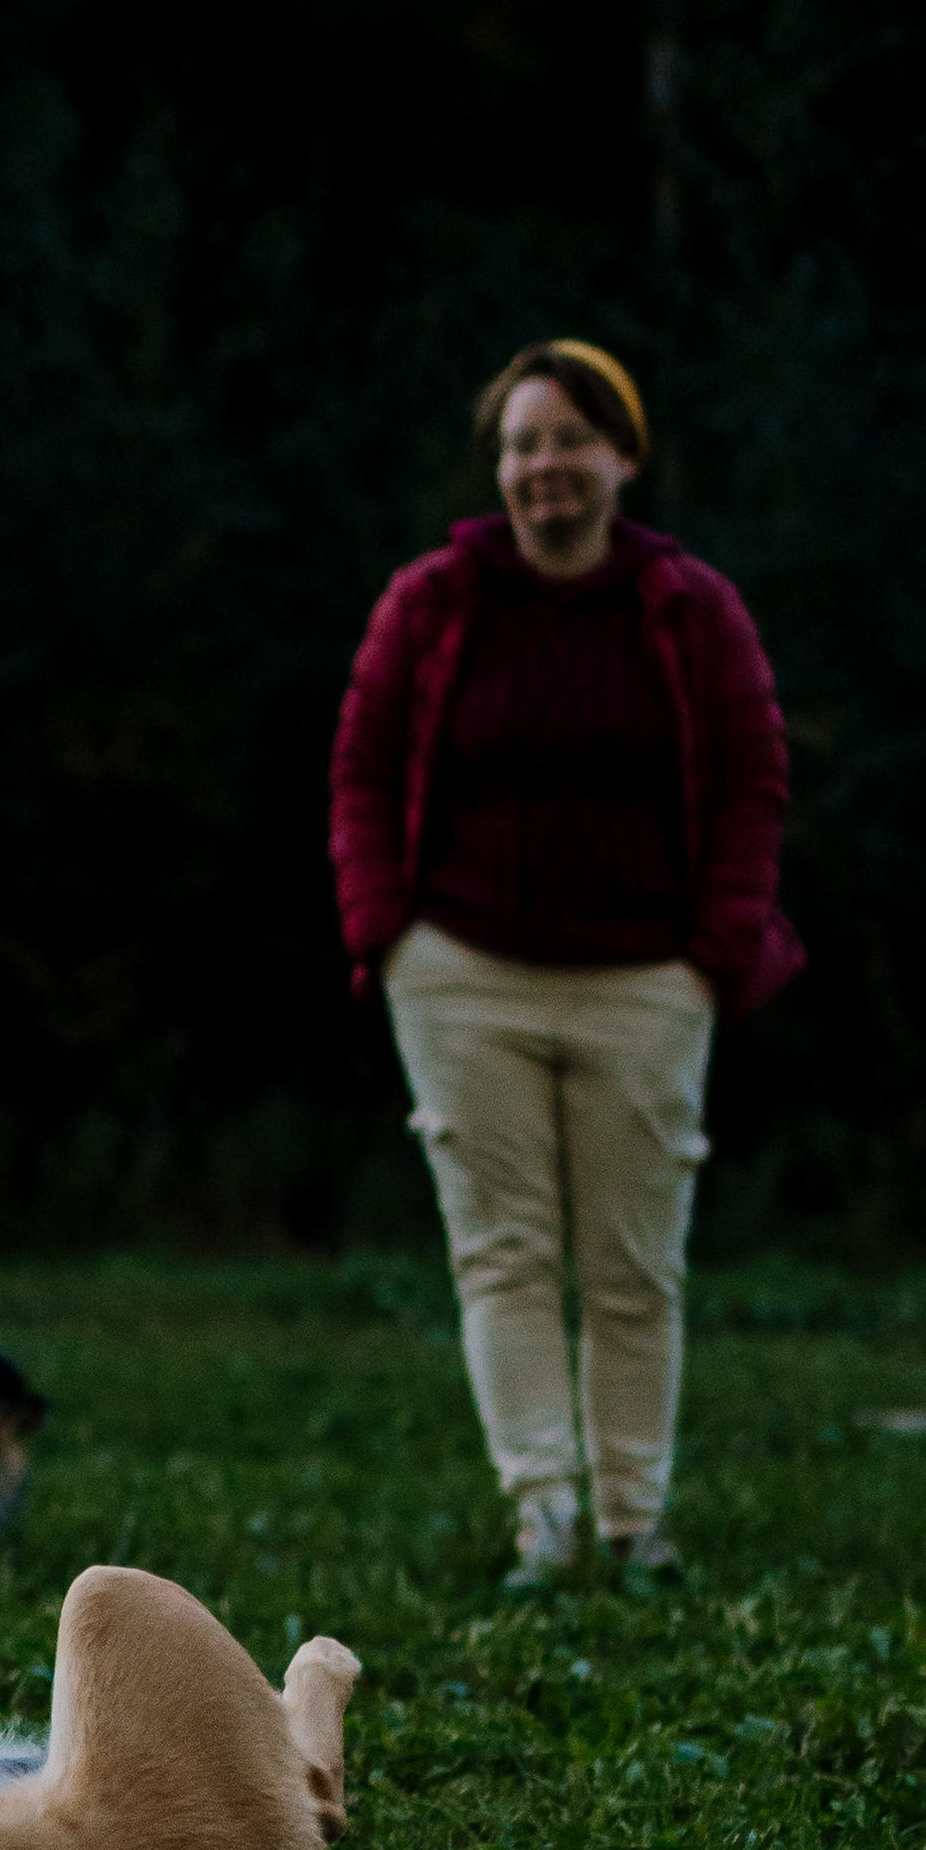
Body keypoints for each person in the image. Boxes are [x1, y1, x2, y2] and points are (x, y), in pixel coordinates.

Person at [329, 343, 800, 1586]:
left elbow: (755, 779)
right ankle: (542, 1513)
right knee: (502, 1253)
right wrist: (387, 931)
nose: (545, 467)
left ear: (621, 458)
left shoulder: (691, 610)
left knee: (634, 1264)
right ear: (500, 469)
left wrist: (713, 951)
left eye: (571, 439)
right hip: (461, 977)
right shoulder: (430, 603)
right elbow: (362, 770)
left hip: (648, 979)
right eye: (523, 443)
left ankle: (635, 1522)